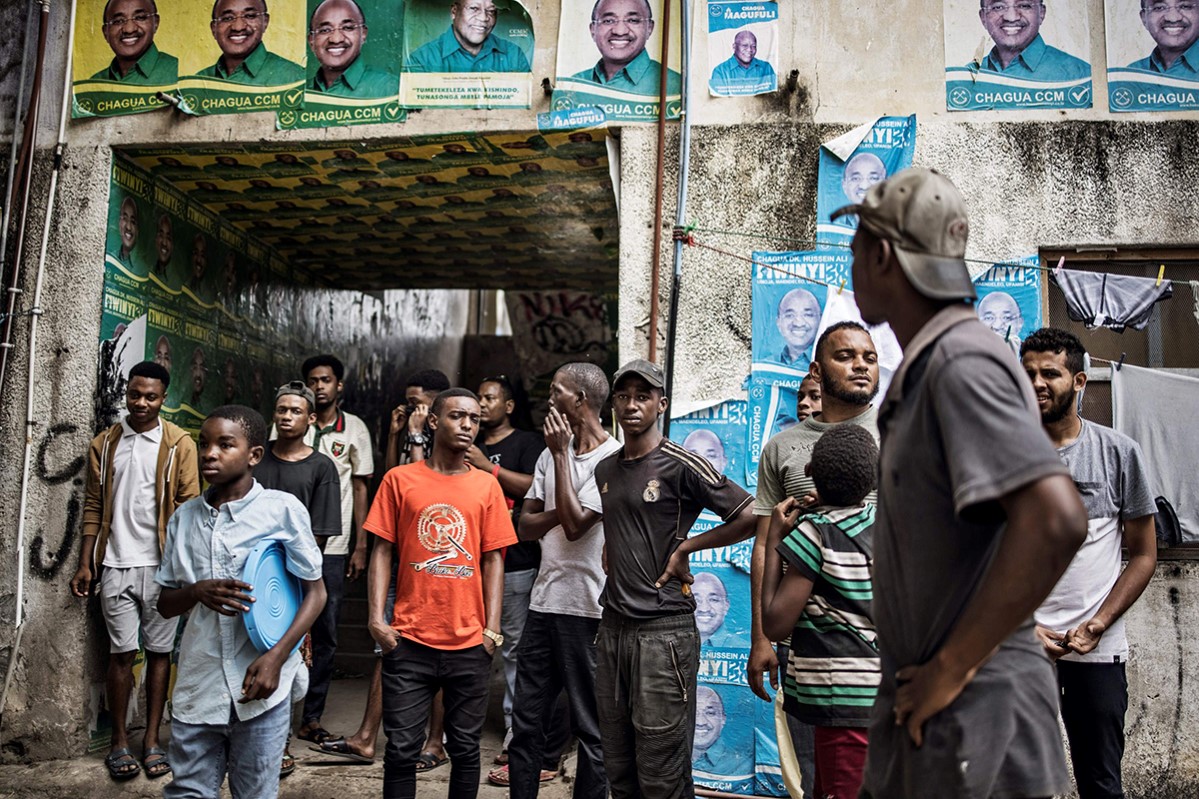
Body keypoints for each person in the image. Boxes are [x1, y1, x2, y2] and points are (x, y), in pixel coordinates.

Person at [831, 167, 1088, 798]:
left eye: (857, 248)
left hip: (976, 711)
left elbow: (1056, 519)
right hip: (930, 709)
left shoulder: (962, 360)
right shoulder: (927, 367)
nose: (853, 265)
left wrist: (952, 666)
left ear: (883, 255)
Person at [594, 358, 755, 799]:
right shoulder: (605, 470)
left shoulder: (681, 463)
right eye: (623, 396)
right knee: (618, 764)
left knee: (661, 770)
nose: (631, 404)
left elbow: (748, 514)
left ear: (661, 404)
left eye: (642, 396)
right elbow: (623, 526)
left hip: (663, 634)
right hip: (612, 631)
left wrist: (687, 547)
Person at [156, 405, 326, 799]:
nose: (209, 454)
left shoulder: (281, 511)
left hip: (261, 687)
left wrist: (277, 657)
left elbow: (315, 593)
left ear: (254, 455)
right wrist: (197, 591)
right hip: (200, 685)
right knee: (187, 792)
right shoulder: (183, 519)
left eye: (224, 444)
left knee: (255, 794)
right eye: (204, 444)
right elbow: (165, 603)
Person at [1021, 328, 1158, 799]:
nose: (1037, 382)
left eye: (1050, 373)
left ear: (1079, 381)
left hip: (1094, 649)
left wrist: (1098, 623)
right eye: (1028, 373)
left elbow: (1143, 554)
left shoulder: (1119, 454)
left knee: (1101, 782)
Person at [749, 320, 880, 799]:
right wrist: (760, 640)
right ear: (816, 369)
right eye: (846, 356)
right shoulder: (783, 447)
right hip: (811, 651)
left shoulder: (905, 434)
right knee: (814, 775)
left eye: (868, 356)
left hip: (891, 651)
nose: (860, 365)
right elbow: (766, 543)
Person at [364, 388, 516, 799]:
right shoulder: (400, 480)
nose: (467, 424)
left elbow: (493, 560)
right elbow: (382, 549)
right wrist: (377, 619)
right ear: (433, 422)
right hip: (409, 639)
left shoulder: (486, 488)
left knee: (466, 750)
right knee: (400, 751)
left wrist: (492, 631)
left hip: (469, 643)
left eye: (474, 419)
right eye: (457, 416)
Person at [70, 361, 199, 781]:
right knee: (121, 653)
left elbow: (189, 506)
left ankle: (152, 741)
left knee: (161, 654)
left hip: (162, 569)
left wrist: (183, 568)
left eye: (151, 396)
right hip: (115, 563)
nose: (141, 403)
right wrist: (86, 562)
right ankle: (120, 742)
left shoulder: (179, 444)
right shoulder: (105, 444)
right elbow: (92, 506)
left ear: (164, 398)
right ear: (126, 393)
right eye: (134, 394)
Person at [323, 367, 449, 769]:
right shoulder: (412, 430)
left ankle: (434, 743)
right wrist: (396, 435)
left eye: (417, 402)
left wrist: (415, 436)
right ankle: (365, 737)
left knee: (439, 654)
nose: (410, 408)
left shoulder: (451, 436)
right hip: (402, 561)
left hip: (439, 565)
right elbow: (393, 481)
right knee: (388, 647)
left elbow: (424, 491)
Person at [506, 363, 621, 798]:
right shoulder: (544, 455)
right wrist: (565, 505)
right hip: (543, 605)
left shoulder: (611, 460)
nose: (548, 399)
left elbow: (574, 528)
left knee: (592, 729)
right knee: (526, 723)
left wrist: (560, 456)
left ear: (580, 401)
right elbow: (525, 526)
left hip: (588, 611)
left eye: (556, 391)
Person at [460, 376, 561, 780]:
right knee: (466, 645)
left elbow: (540, 490)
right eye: (477, 399)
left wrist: (490, 469)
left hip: (516, 563)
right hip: (467, 564)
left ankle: (514, 736)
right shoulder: (465, 442)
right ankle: (457, 730)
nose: (482, 406)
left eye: (489, 399)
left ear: (509, 405)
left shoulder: (527, 444)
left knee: (515, 651)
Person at [253, 381, 342, 772]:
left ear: (310, 419)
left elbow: (317, 537)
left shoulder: (322, 467)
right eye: (281, 410)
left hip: (292, 579)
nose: (287, 417)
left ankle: (281, 744)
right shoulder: (256, 459)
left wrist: (294, 582)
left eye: (295, 411)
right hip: (248, 573)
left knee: (286, 662)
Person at [286, 354, 373, 744]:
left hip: (333, 549)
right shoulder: (289, 423)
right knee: (281, 625)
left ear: (339, 385)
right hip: (287, 545)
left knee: (326, 632)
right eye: (312, 380)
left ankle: (311, 717)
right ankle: (275, 717)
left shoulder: (353, 429)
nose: (319, 386)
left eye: (325, 380)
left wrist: (361, 545)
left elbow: (359, 486)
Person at [573, 0, 682, 96]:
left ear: (649, 28)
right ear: (593, 30)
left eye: (633, 20)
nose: (620, 31)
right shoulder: (574, 85)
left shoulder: (674, 85)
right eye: (608, 21)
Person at [973, 0, 1089, 79]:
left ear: (1041, 13)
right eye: (998, 7)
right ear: (983, 17)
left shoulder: (1080, 75)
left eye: (1024, 5)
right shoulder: (967, 78)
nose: (1011, 17)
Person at [196, 0, 304, 85]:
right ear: (214, 28)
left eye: (249, 16)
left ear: (265, 22)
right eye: (228, 18)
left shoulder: (295, 78)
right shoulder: (198, 82)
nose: (238, 27)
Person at [407, 0, 531, 72]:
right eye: (474, 8)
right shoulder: (422, 60)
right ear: (454, 12)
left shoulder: (514, 55)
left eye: (491, 11)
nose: (483, 18)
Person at [307, 0, 399, 97]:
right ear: (311, 41)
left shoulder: (389, 89)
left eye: (347, 28)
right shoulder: (299, 93)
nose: (336, 39)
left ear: (363, 34)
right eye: (325, 30)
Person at [91, 0, 178, 84]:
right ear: (106, 32)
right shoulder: (94, 84)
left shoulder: (178, 72)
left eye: (139, 17)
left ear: (156, 23)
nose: (129, 29)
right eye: (118, 21)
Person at [691, 687, 752, 777]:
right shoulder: (667, 757)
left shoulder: (741, 765)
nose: (700, 722)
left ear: (723, 719)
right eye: (693, 712)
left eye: (710, 713)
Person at [1129, 0, 1199, 73]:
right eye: (1159, 7)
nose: (1173, 18)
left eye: (1185, 6)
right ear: (1144, 19)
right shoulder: (1133, 74)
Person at [709, 30, 776, 94]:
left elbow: (773, 96)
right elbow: (720, 102)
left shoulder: (766, 68)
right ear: (734, 47)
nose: (750, 49)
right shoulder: (720, 71)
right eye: (745, 45)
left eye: (753, 46)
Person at [775, 287, 821, 368]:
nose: (798, 323)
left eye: (808, 315)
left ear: (820, 320)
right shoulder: (766, 365)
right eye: (790, 315)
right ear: (778, 323)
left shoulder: (828, 364)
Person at [693, 572, 740, 647]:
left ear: (726, 606)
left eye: (713, 600)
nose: (704, 609)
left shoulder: (743, 649)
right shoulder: (671, 647)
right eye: (696, 600)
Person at [115, 196, 139, 268]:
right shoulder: (112, 258)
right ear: (119, 224)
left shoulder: (140, 268)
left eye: (133, 221)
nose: (128, 227)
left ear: (137, 230)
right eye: (125, 218)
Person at [152, 214, 173, 279]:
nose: (164, 243)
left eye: (168, 237)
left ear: (173, 245)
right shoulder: (148, 270)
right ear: (156, 239)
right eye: (161, 235)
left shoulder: (175, 282)